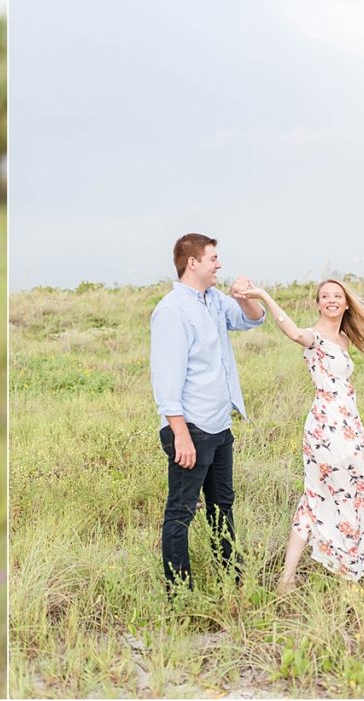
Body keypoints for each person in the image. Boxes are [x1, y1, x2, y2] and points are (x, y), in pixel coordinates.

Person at [235, 279, 364, 594]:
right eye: (325, 297)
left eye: (337, 296)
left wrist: (357, 432)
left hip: (349, 426)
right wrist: (263, 295)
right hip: (326, 428)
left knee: (321, 496)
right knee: (341, 492)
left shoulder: (344, 339)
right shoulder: (314, 337)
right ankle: (344, 573)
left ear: (346, 303)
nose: (331, 300)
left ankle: (288, 579)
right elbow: (292, 331)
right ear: (318, 304)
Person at [149, 233, 265, 592]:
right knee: (181, 513)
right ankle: (179, 593)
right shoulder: (172, 310)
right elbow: (166, 381)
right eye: (213, 258)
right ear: (192, 262)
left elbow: (253, 320)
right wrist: (180, 434)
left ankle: (233, 581)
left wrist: (245, 298)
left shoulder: (213, 301)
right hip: (192, 428)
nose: (219, 264)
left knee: (221, 508)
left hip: (219, 425)